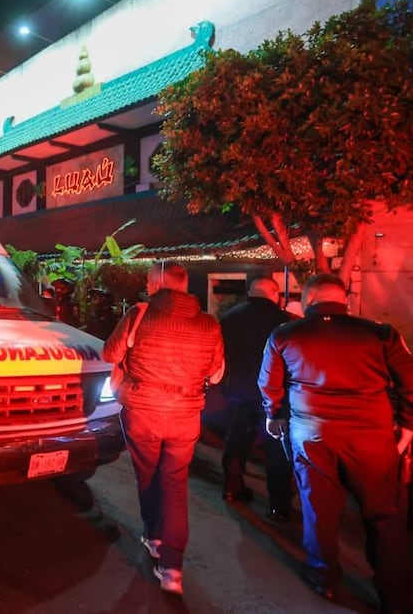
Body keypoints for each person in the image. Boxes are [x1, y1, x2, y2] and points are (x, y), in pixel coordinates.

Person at [259, 273, 413, 610]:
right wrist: (408, 426)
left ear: (309, 300)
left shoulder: (285, 335)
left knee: (319, 511)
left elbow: (268, 384)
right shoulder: (380, 334)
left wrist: (274, 415)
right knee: (385, 517)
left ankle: (324, 579)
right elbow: (410, 381)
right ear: (345, 299)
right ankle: (396, 596)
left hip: (312, 435)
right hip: (371, 437)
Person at [102, 261, 224, 595]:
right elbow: (215, 374)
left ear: (157, 283)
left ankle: (154, 536)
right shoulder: (209, 323)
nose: (146, 286)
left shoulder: (139, 314)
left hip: (144, 410)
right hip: (186, 414)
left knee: (148, 475)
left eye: (148, 281)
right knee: (175, 483)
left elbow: (110, 354)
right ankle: (172, 568)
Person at [219, 276, 295, 522]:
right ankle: (278, 505)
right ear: (275, 293)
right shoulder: (285, 321)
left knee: (237, 440)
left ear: (250, 293)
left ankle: (232, 488)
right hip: (274, 394)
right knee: (276, 448)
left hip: (239, 389)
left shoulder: (229, 318)